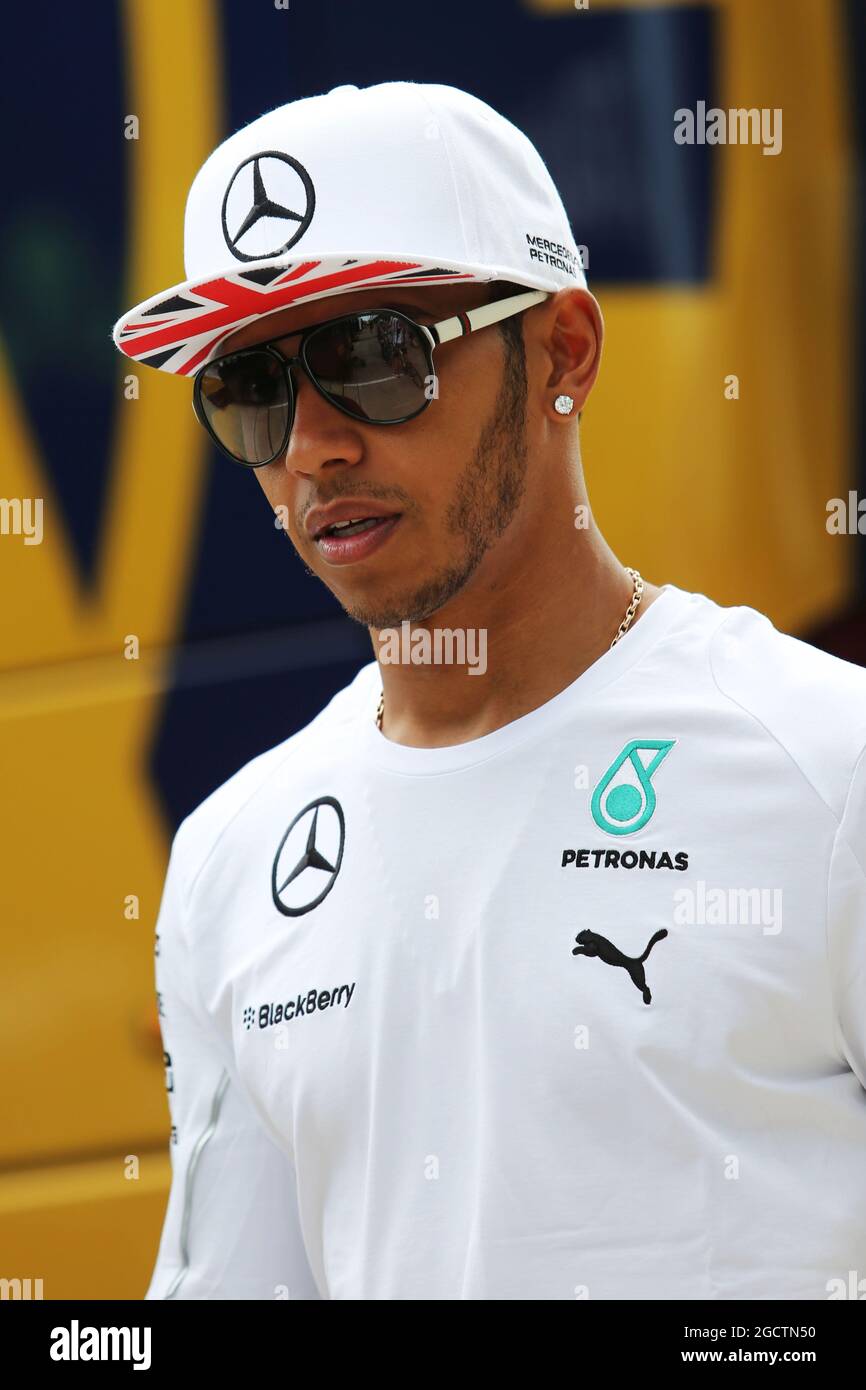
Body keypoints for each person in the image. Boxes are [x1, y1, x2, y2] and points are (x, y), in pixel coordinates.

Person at [113, 81, 866, 1301]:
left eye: (369, 355)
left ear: (561, 350)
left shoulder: (826, 767)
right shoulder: (229, 859)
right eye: (251, 388)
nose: (310, 445)